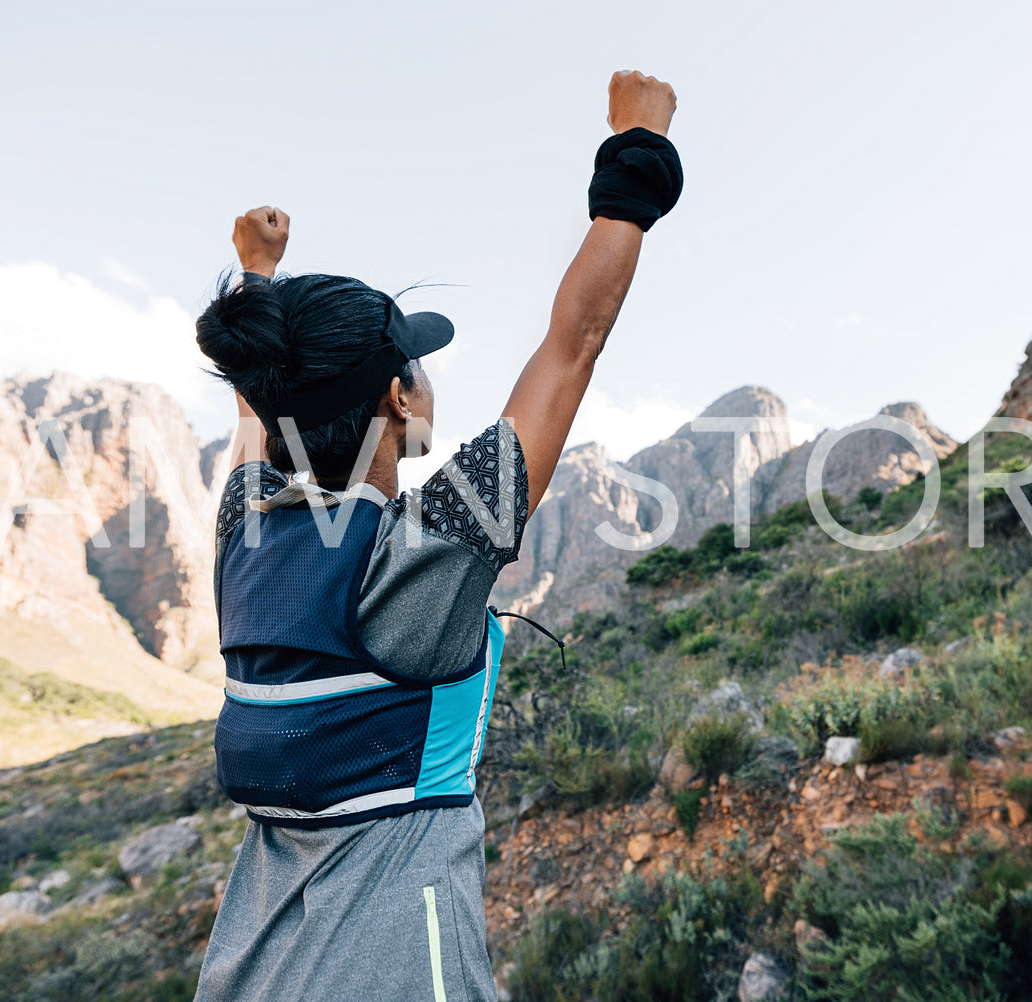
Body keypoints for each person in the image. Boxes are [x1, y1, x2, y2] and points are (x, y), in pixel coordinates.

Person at [191, 70, 680, 1000]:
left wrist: (261, 280)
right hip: (396, 962)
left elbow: (259, 418)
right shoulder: (425, 556)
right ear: (396, 396)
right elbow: (574, 342)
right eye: (415, 360)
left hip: (253, 960)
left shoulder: (243, 534)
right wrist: (637, 156)